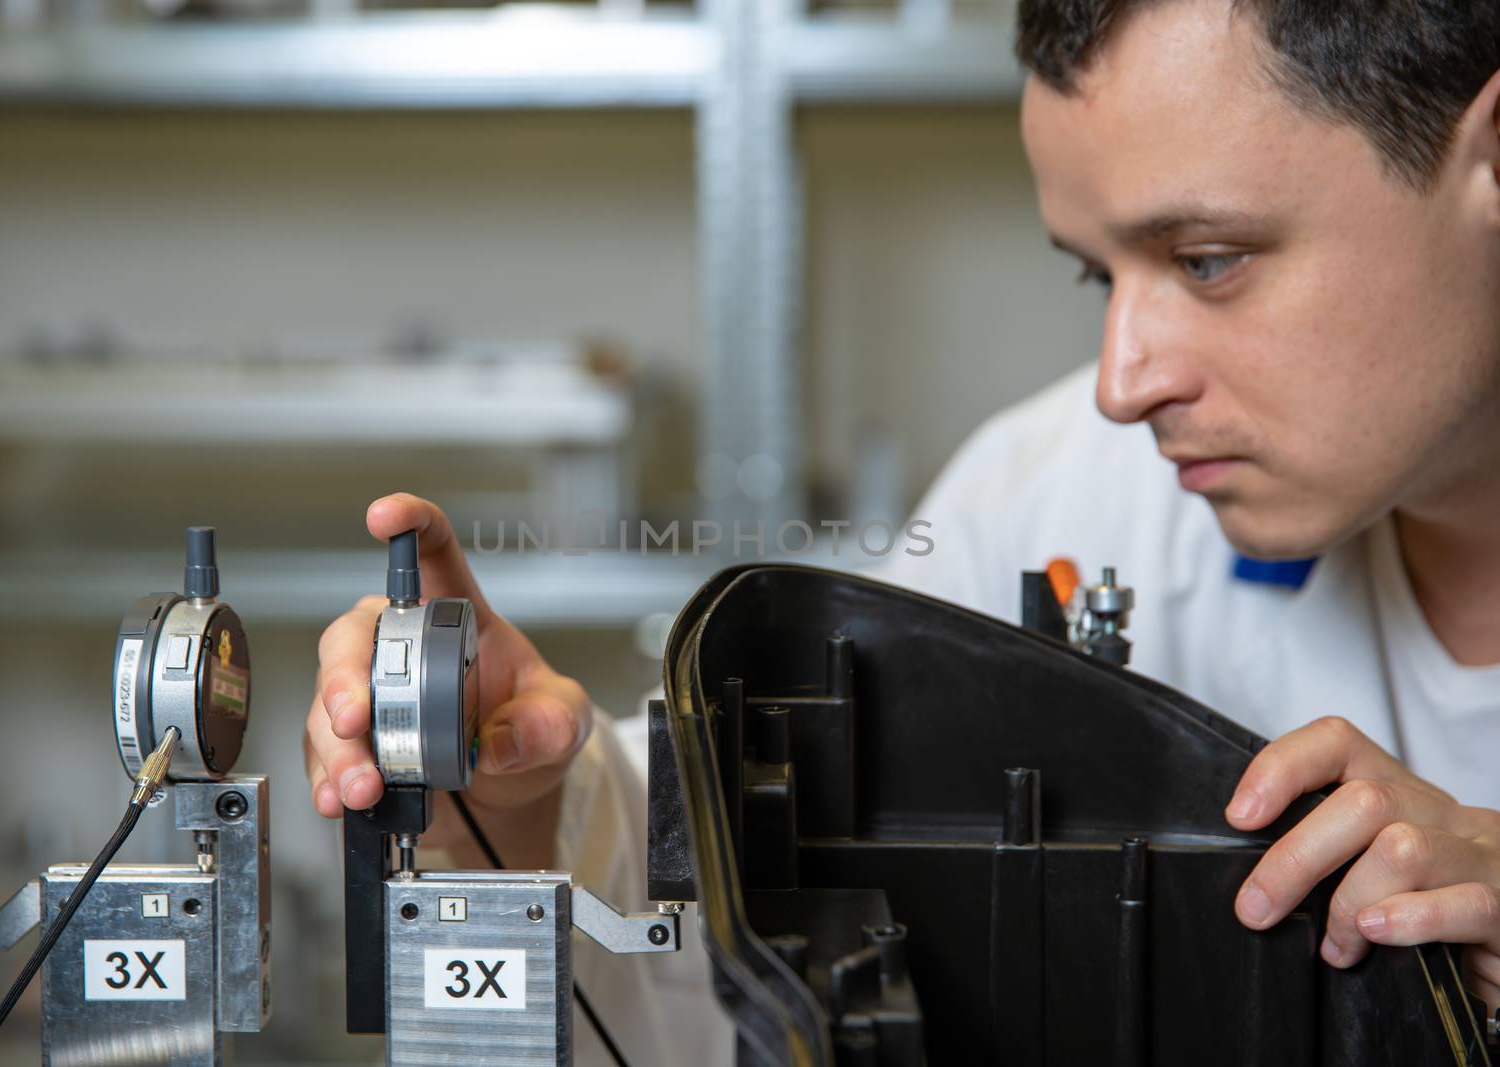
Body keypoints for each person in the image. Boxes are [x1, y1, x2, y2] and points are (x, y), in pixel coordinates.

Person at [303, 0, 1500, 1055]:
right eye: (1098, 276)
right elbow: (758, 955)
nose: (1123, 382)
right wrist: (519, 795)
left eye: (1208, 258)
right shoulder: (1062, 489)